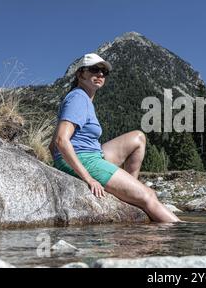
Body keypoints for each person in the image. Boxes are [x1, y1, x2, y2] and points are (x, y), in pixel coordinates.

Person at [49, 53, 180, 223]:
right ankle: (180, 235)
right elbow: (60, 141)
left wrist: (60, 163)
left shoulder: (82, 98)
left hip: (89, 155)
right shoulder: (78, 98)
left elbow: (52, 146)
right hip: (84, 159)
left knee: (138, 138)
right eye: (95, 70)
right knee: (149, 196)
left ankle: (128, 190)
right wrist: (87, 178)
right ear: (80, 74)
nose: (100, 75)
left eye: (104, 72)